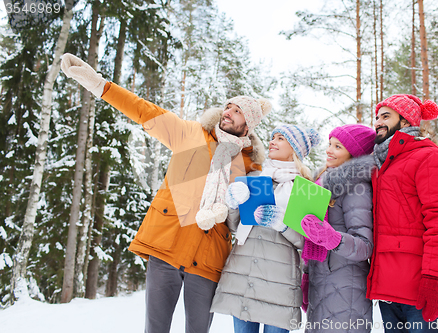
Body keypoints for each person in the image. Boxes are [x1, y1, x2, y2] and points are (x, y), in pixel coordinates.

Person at [60, 53, 271, 333]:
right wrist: (99, 85)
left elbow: (254, 214)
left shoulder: (250, 165)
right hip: (167, 245)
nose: (227, 112)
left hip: (208, 257)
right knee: (155, 328)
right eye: (227, 106)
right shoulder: (190, 134)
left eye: (236, 110)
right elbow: (144, 110)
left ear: (249, 123)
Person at [210, 124, 320, 333]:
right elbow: (235, 227)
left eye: (280, 138)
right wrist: (233, 204)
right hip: (244, 277)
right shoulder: (254, 180)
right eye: (272, 137)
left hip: (278, 284)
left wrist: (283, 225)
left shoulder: (306, 188)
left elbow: (308, 243)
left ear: (295, 148)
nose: (272, 142)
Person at [366, 94, 438, 332]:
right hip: (388, 291)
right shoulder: (381, 165)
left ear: (406, 121)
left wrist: (435, 278)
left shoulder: (429, 157)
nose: (377, 122)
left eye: (386, 116)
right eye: (377, 117)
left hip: (421, 289)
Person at [299, 124, 376, 332]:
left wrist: (332, 238)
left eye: (338, 146)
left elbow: (365, 246)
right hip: (320, 282)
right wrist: (307, 274)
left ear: (354, 154)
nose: (329, 150)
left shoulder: (356, 187)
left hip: (346, 289)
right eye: (330, 144)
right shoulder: (319, 185)